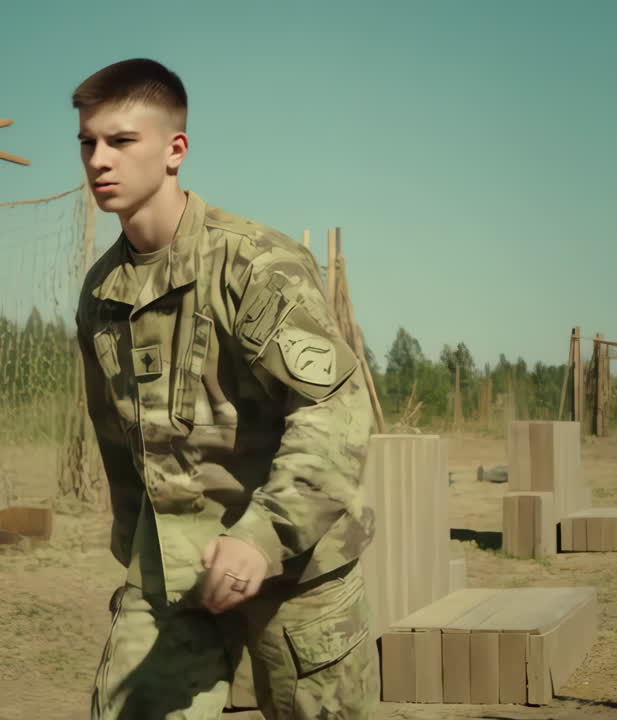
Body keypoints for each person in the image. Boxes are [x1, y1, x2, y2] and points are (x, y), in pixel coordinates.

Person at [73, 59, 378, 720]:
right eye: (88, 142)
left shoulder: (253, 265)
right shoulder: (101, 295)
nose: (99, 159)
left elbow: (333, 410)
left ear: (175, 150)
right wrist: (137, 562)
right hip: (173, 570)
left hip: (295, 564)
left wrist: (262, 536)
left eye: (121, 141)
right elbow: (120, 446)